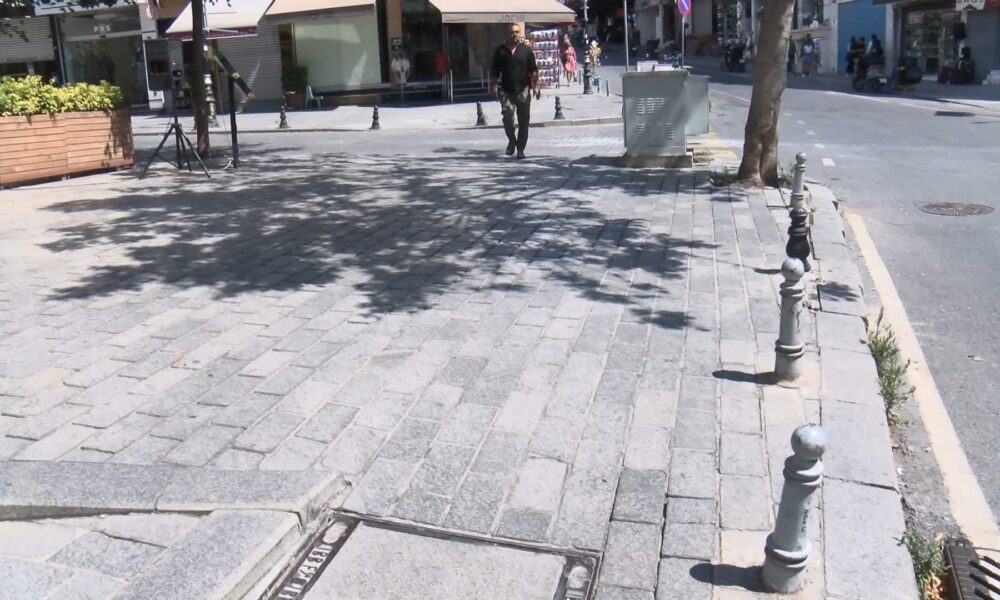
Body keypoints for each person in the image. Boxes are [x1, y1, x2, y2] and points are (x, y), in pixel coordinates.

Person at [490, 23, 540, 159]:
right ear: (507, 34)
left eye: (517, 32)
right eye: (512, 32)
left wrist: (536, 87)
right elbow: (495, 71)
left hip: (523, 90)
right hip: (506, 90)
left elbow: (533, 70)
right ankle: (512, 141)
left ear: (520, 33)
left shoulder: (526, 50)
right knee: (507, 118)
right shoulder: (500, 51)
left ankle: (520, 149)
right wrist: (493, 86)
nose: (515, 34)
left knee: (524, 121)